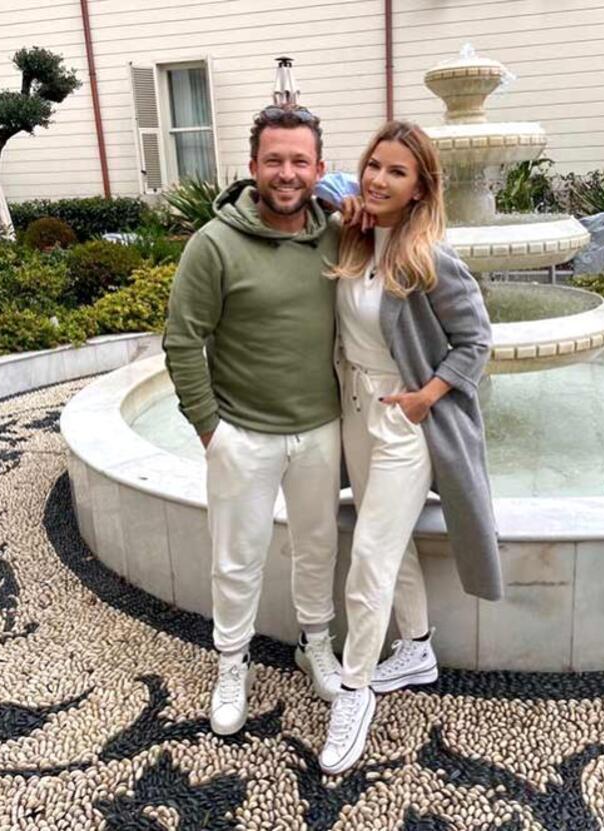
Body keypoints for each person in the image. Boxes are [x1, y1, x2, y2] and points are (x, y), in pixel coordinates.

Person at [318, 121, 504, 775]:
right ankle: (418, 647)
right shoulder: (352, 234)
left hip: (402, 419)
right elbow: (306, 187)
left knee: (369, 558)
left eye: (397, 172)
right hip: (354, 410)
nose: (378, 179)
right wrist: (342, 196)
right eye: (373, 165)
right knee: (387, 543)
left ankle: (354, 691)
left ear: (422, 187)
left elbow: (476, 341)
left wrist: (428, 395)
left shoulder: (430, 258)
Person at [162, 104, 347, 735]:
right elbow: (182, 339)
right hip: (241, 434)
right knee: (236, 559)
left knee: (318, 548)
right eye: (274, 160)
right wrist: (210, 430)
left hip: (321, 429)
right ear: (253, 167)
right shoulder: (213, 244)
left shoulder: (339, 235)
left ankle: (315, 644)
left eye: (299, 161)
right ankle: (232, 663)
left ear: (319, 168)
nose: (287, 173)